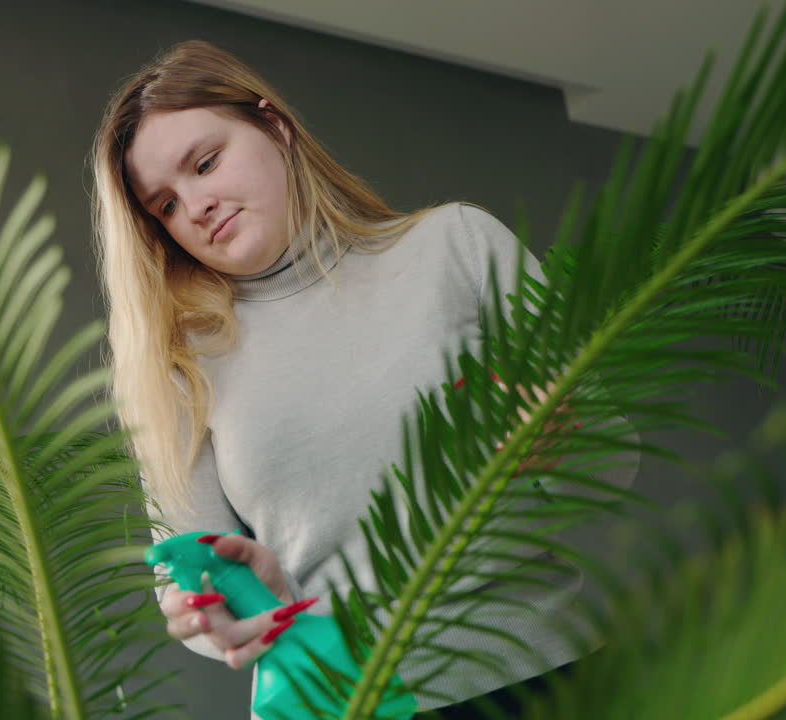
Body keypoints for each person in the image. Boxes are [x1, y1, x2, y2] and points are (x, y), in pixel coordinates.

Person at [90, 39, 631, 719]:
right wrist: (217, 612)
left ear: (274, 126)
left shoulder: (457, 246)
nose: (195, 205)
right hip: (340, 706)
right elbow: (194, 585)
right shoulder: (179, 369)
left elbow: (614, 459)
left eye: (205, 163)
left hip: (547, 681)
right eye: (166, 205)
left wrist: (555, 441)